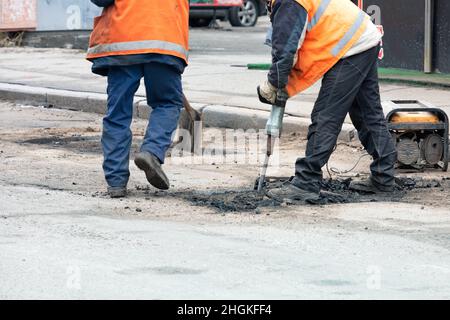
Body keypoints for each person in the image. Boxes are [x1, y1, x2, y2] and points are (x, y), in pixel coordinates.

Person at [258, 0, 397, 202]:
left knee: (326, 115)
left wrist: (274, 83)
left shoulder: (288, 2)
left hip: (351, 47)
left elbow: (286, 50)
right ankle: (384, 176)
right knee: (367, 113)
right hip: (362, 38)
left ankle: (306, 182)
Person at [87, 0, 189, 198]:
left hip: (123, 43)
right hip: (166, 41)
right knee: (167, 103)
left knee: (118, 113)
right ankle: (151, 151)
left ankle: (116, 181)